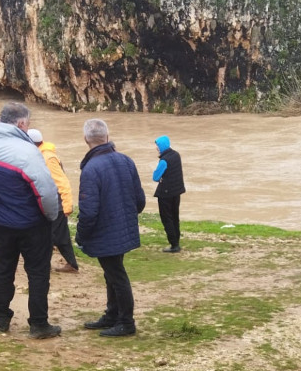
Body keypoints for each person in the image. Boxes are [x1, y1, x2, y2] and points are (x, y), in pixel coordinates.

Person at [0, 103, 62, 339]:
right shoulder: (28, 152)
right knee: (38, 273)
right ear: (21, 124)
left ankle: (1, 319)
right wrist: (51, 217)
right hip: (32, 224)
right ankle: (39, 324)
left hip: (1, 223)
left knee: (3, 269)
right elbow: (47, 192)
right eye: (27, 123)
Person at [76, 119, 145, 338]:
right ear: (107, 136)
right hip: (122, 227)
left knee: (116, 275)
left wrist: (81, 235)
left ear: (86, 139)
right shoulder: (126, 160)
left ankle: (126, 322)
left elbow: (88, 212)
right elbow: (140, 200)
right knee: (112, 273)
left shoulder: (90, 169)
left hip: (106, 231)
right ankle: (112, 314)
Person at [28, 128, 79, 273]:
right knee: (60, 236)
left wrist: (67, 206)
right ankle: (72, 265)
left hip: (57, 205)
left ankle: (44, 265)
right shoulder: (41, 154)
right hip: (51, 204)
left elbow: (63, 182)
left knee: (50, 237)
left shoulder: (48, 158)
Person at [152, 134, 186, 253]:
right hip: (176, 192)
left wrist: (160, 176)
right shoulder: (176, 155)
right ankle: (176, 241)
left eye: (157, 146)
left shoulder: (164, 160)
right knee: (175, 217)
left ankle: (174, 245)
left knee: (167, 219)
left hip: (165, 194)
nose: (156, 148)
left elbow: (155, 177)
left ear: (162, 146)